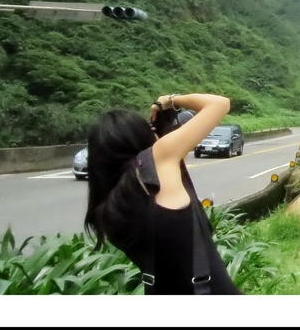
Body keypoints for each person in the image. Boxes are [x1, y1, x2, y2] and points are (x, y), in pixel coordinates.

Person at [83, 92, 242, 294]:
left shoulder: (106, 211)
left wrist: (164, 132)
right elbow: (220, 104)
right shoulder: (156, 162)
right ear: (138, 138)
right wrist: (171, 100)